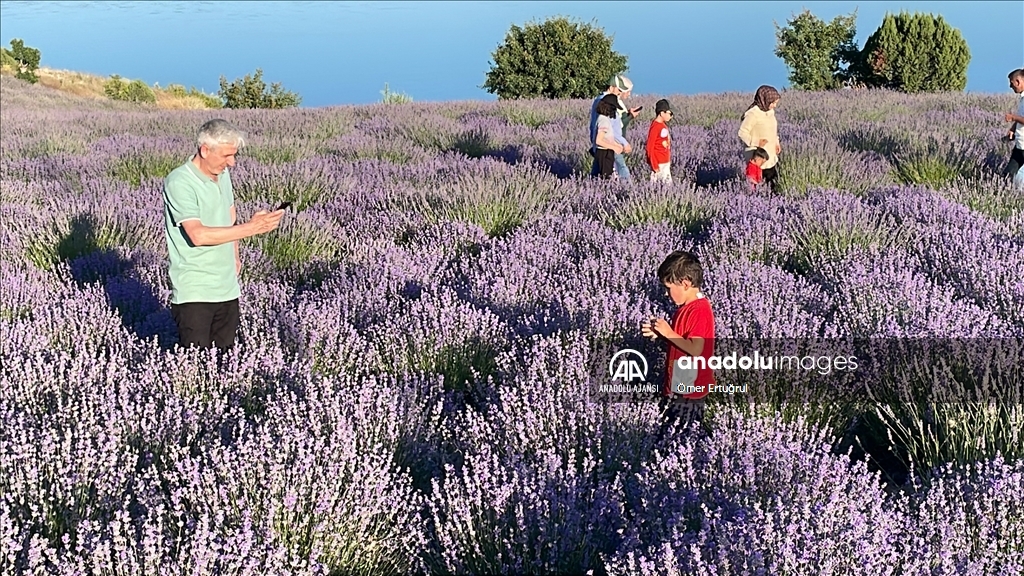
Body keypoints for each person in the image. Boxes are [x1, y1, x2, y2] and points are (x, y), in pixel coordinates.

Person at [163, 118, 284, 351]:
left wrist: (235, 257)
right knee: (195, 367)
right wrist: (253, 228)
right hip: (195, 291)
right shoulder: (180, 182)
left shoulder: (223, 175)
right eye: (227, 156)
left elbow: (230, 217)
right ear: (205, 150)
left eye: (234, 155)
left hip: (227, 287)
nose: (233, 162)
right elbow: (197, 235)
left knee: (225, 362)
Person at [642, 250, 715, 437]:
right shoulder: (685, 308)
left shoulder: (700, 311)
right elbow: (680, 344)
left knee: (683, 434)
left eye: (668, 288)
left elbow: (696, 349)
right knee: (673, 432)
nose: (667, 295)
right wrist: (661, 337)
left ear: (685, 284)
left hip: (690, 389)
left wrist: (668, 332)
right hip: (678, 384)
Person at [589, 75, 641, 179]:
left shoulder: (599, 100)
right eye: (619, 89)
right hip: (610, 142)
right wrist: (622, 144)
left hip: (603, 143)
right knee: (620, 168)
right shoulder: (608, 104)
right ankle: (628, 189)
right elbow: (614, 127)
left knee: (599, 170)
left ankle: (591, 186)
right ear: (612, 87)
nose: (620, 92)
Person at [738, 85, 782, 192]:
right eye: (773, 102)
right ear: (765, 100)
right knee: (757, 183)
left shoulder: (769, 112)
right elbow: (742, 133)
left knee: (773, 182)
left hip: (770, 154)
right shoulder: (753, 114)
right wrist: (756, 142)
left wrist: (776, 143)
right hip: (758, 155)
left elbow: (772, 130)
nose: (774, 105)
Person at [593, 94, 625, 179]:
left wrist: (617, 145)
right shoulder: (603, 120)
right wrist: (614, 147)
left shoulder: (603, 119)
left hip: (605, 152)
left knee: (605, 176)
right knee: (606, 178)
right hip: (604, 153)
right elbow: (598, 140)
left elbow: (607, 138)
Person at [646, 99, 673, 183]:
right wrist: (654, 164)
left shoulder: (662, 125)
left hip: (665, 161)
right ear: (662, 113)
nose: (671, 116)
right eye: (669, 113)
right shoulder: (656, 127)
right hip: (658, 163)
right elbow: (649, 147)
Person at [1004, 68, 1024, 178]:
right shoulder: (1022, 98)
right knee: (1008, 175)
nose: (1010, 87)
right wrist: (1013, 129)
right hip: (1020, 144)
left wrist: (1013, 117)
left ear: (1018, 81)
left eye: (1012, 83)